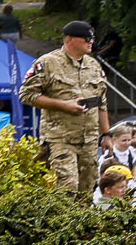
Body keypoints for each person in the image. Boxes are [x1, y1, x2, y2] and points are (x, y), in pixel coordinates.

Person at [19, 20, 110, 197]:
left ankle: (81, 225)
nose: (91, 41)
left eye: (92, 38)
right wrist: (63, 105)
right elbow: (26, 95)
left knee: (86, 190)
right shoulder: (47, 63)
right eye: (86, 38)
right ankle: (59, 223)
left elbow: (101, 102)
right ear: (69, 39)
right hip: (60, 138)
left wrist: (106, 135)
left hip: (89, 140)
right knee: (68, 187)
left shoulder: (93, 66)